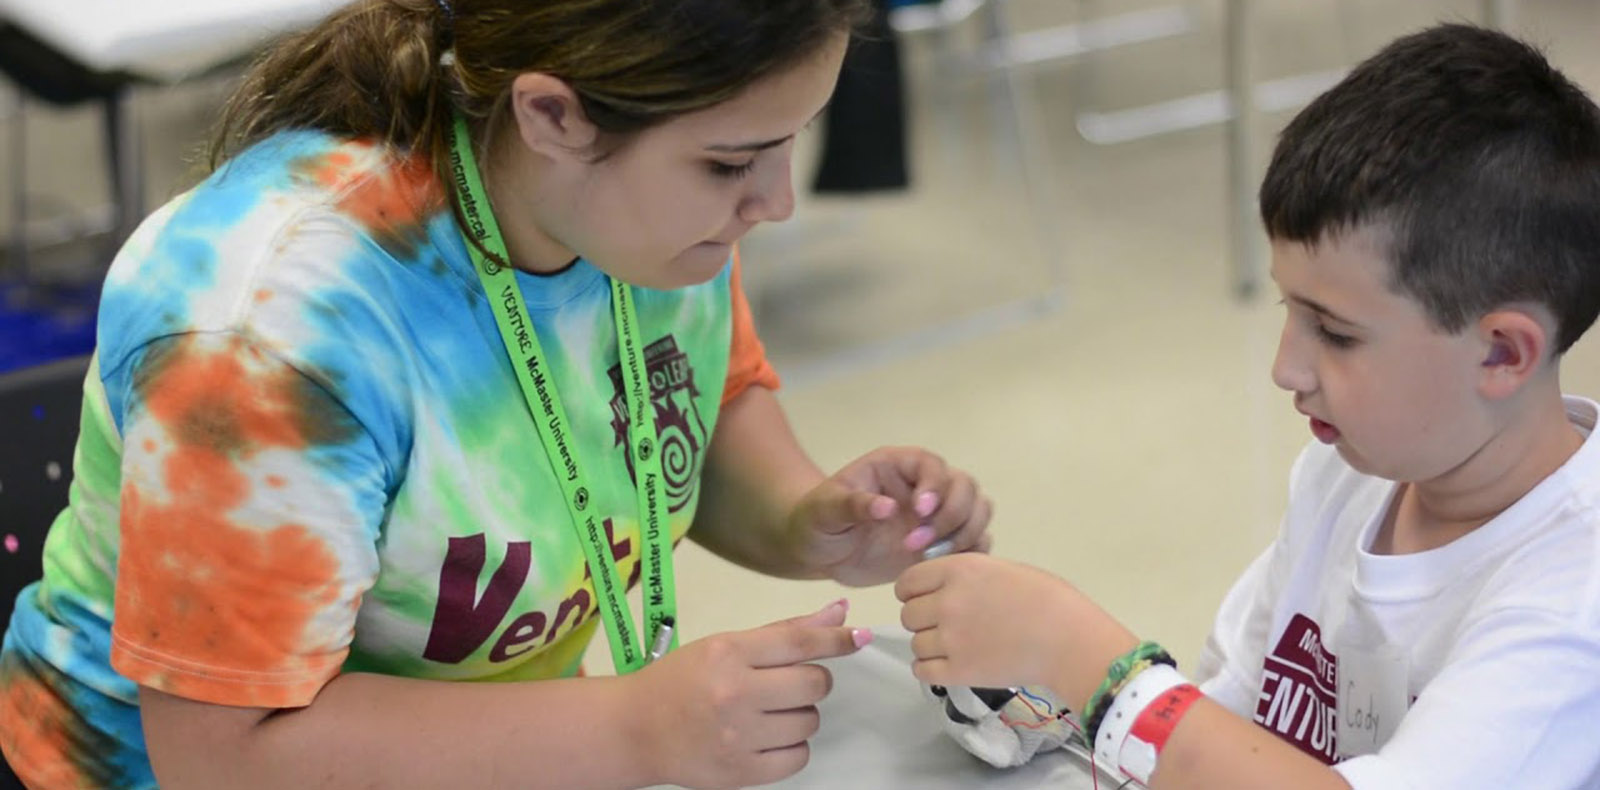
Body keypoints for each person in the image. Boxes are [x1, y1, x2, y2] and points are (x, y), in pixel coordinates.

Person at [0, 1, 996, 788]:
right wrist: (636, 725)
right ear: (552, 114)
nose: (775, 201)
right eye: (732, 161)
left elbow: (697, 404)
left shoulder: (643, 217)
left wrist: (806, 519)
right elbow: (223, 754)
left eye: (790, 139)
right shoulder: (275, 328)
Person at [895, 23, 1600, 790]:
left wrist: (1086, 659)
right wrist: (1038, 688)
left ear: (1501, 354)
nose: (1284, 368)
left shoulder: (1571, 605)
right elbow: (1228, 721)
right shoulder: (1352, 469)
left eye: (1336, 333)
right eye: (1289, 312)